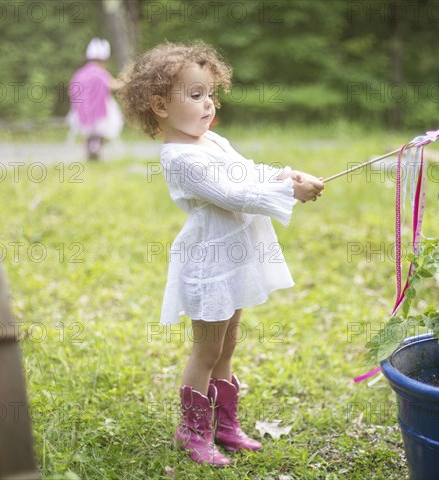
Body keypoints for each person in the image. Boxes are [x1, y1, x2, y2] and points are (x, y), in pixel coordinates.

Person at [117, 41, 324, 467]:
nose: (208, 103)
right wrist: (289, 191)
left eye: (211, 93)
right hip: (209, 266)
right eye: (196, 95)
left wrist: (288, 175)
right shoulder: (180, 158)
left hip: (234, 260)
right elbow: (235, 193)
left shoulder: (211, 141)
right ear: (159, 105)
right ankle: (192, 431)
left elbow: (248, 172)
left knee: (227, 345)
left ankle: (224, 424)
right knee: (206, 351)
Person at [66, 38, 124, 160]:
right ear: (104, 61)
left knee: (91, 132)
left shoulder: (80, 73)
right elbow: (112, 85)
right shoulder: (100, 73)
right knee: (109, 120)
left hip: (80, 112)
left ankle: (92, 145)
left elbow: (71, 90)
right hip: (100, 112)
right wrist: (126, 81)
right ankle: (96, 144)